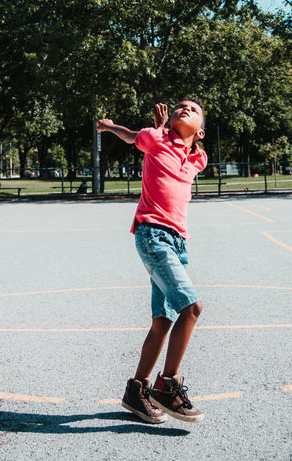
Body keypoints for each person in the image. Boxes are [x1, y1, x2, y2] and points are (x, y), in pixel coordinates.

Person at [96, 98, 207, 425]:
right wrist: (110, 126)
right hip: (153, 236)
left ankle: (135, 391)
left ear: (200, 132)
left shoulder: (196, 159)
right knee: (192, 307)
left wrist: (169, 136)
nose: (184, 108)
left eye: (193, 109)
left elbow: (188, 158)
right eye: (180, 106)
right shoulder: (157, 138)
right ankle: (167, 386)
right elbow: (134, 136)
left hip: (178, 244)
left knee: (163, 321)